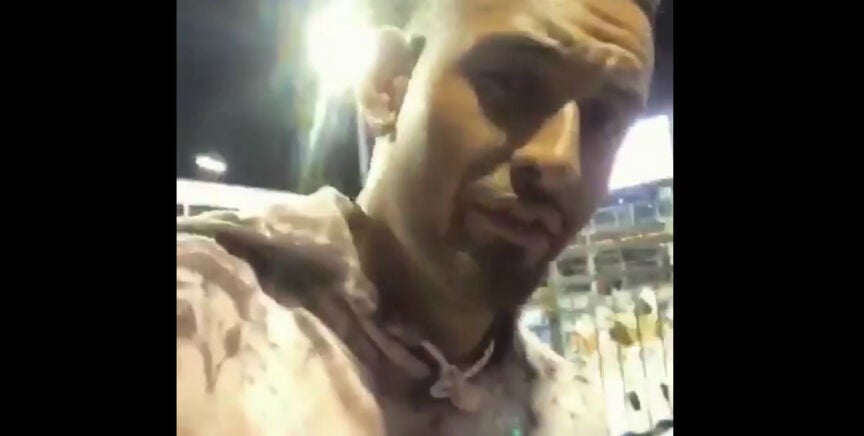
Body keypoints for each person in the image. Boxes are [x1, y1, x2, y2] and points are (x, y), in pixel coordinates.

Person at [176, 0, 660, 434]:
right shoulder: (202, 329)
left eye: (605, 118)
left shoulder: (570, 412)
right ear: (387, 85)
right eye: (514, 84)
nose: (560, 161)